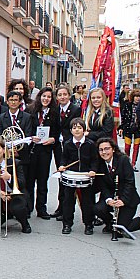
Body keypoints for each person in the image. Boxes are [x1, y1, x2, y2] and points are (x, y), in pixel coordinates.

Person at [93, 138, 140, 236]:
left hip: (127, 199)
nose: (104, 152)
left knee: (122, 231)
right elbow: (103, 186)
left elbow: (130, 183)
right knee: (97, 208)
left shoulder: (123, 160)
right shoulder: (100, 163)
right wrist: (108, 200)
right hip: (112, 197)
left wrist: (123, 200)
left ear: (113, 149)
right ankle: (111, 224)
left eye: (107, 149)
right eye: (101, 150)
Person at [0, 138, 31, 234]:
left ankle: (25, 223)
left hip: (15, 193)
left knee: (17, 207)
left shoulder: (15, 163)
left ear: (3, 150)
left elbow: (22, 183)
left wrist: (9, 178)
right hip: (1, 193)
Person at [57, 118, 97, 235]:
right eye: (74, 128)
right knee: (68, 201)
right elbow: (64, 158)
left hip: (85, 175)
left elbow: (94, 160)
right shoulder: (67, 143)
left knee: (87, 201)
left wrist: (93, 170)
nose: (77, 130)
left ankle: (89, 224)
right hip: (71, 174)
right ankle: (67, 224)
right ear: (71, 130)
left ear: (84, 130)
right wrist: (62, 166)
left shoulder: (90, 144)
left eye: (79, 127)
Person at [26, 87, 59, 219]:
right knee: (29, 181)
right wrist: (30, 137)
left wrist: (53, 139)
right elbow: (26, 128)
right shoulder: (30, 110)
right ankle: (28, 208)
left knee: (42, 180)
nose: (46, 99)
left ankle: (41, 208)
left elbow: (57, 131)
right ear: (39, 97)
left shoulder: (54, 113)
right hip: (32, 150)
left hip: (45, 150)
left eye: (49, 97)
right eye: (44, 96)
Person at [51, 85, 82, 220]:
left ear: (69, 95)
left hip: (71, 147)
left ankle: (67, 209)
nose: (62, 97)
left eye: (65, 94)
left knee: (70, 177)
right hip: (58, 146)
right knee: (61, 175)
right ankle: (60, 207)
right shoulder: (55, 110)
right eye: (59, 95)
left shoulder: (75, 109)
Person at [119, 89, 140, 172]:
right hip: (128, 128)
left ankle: (133, 164)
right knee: (127, 147)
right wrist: (122, 127)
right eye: (136, 96)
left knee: (136, 147)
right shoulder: (127, 105)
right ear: (133, 97)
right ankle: (127, 163)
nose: (138, 98)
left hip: (138, 129)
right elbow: (123, 117)